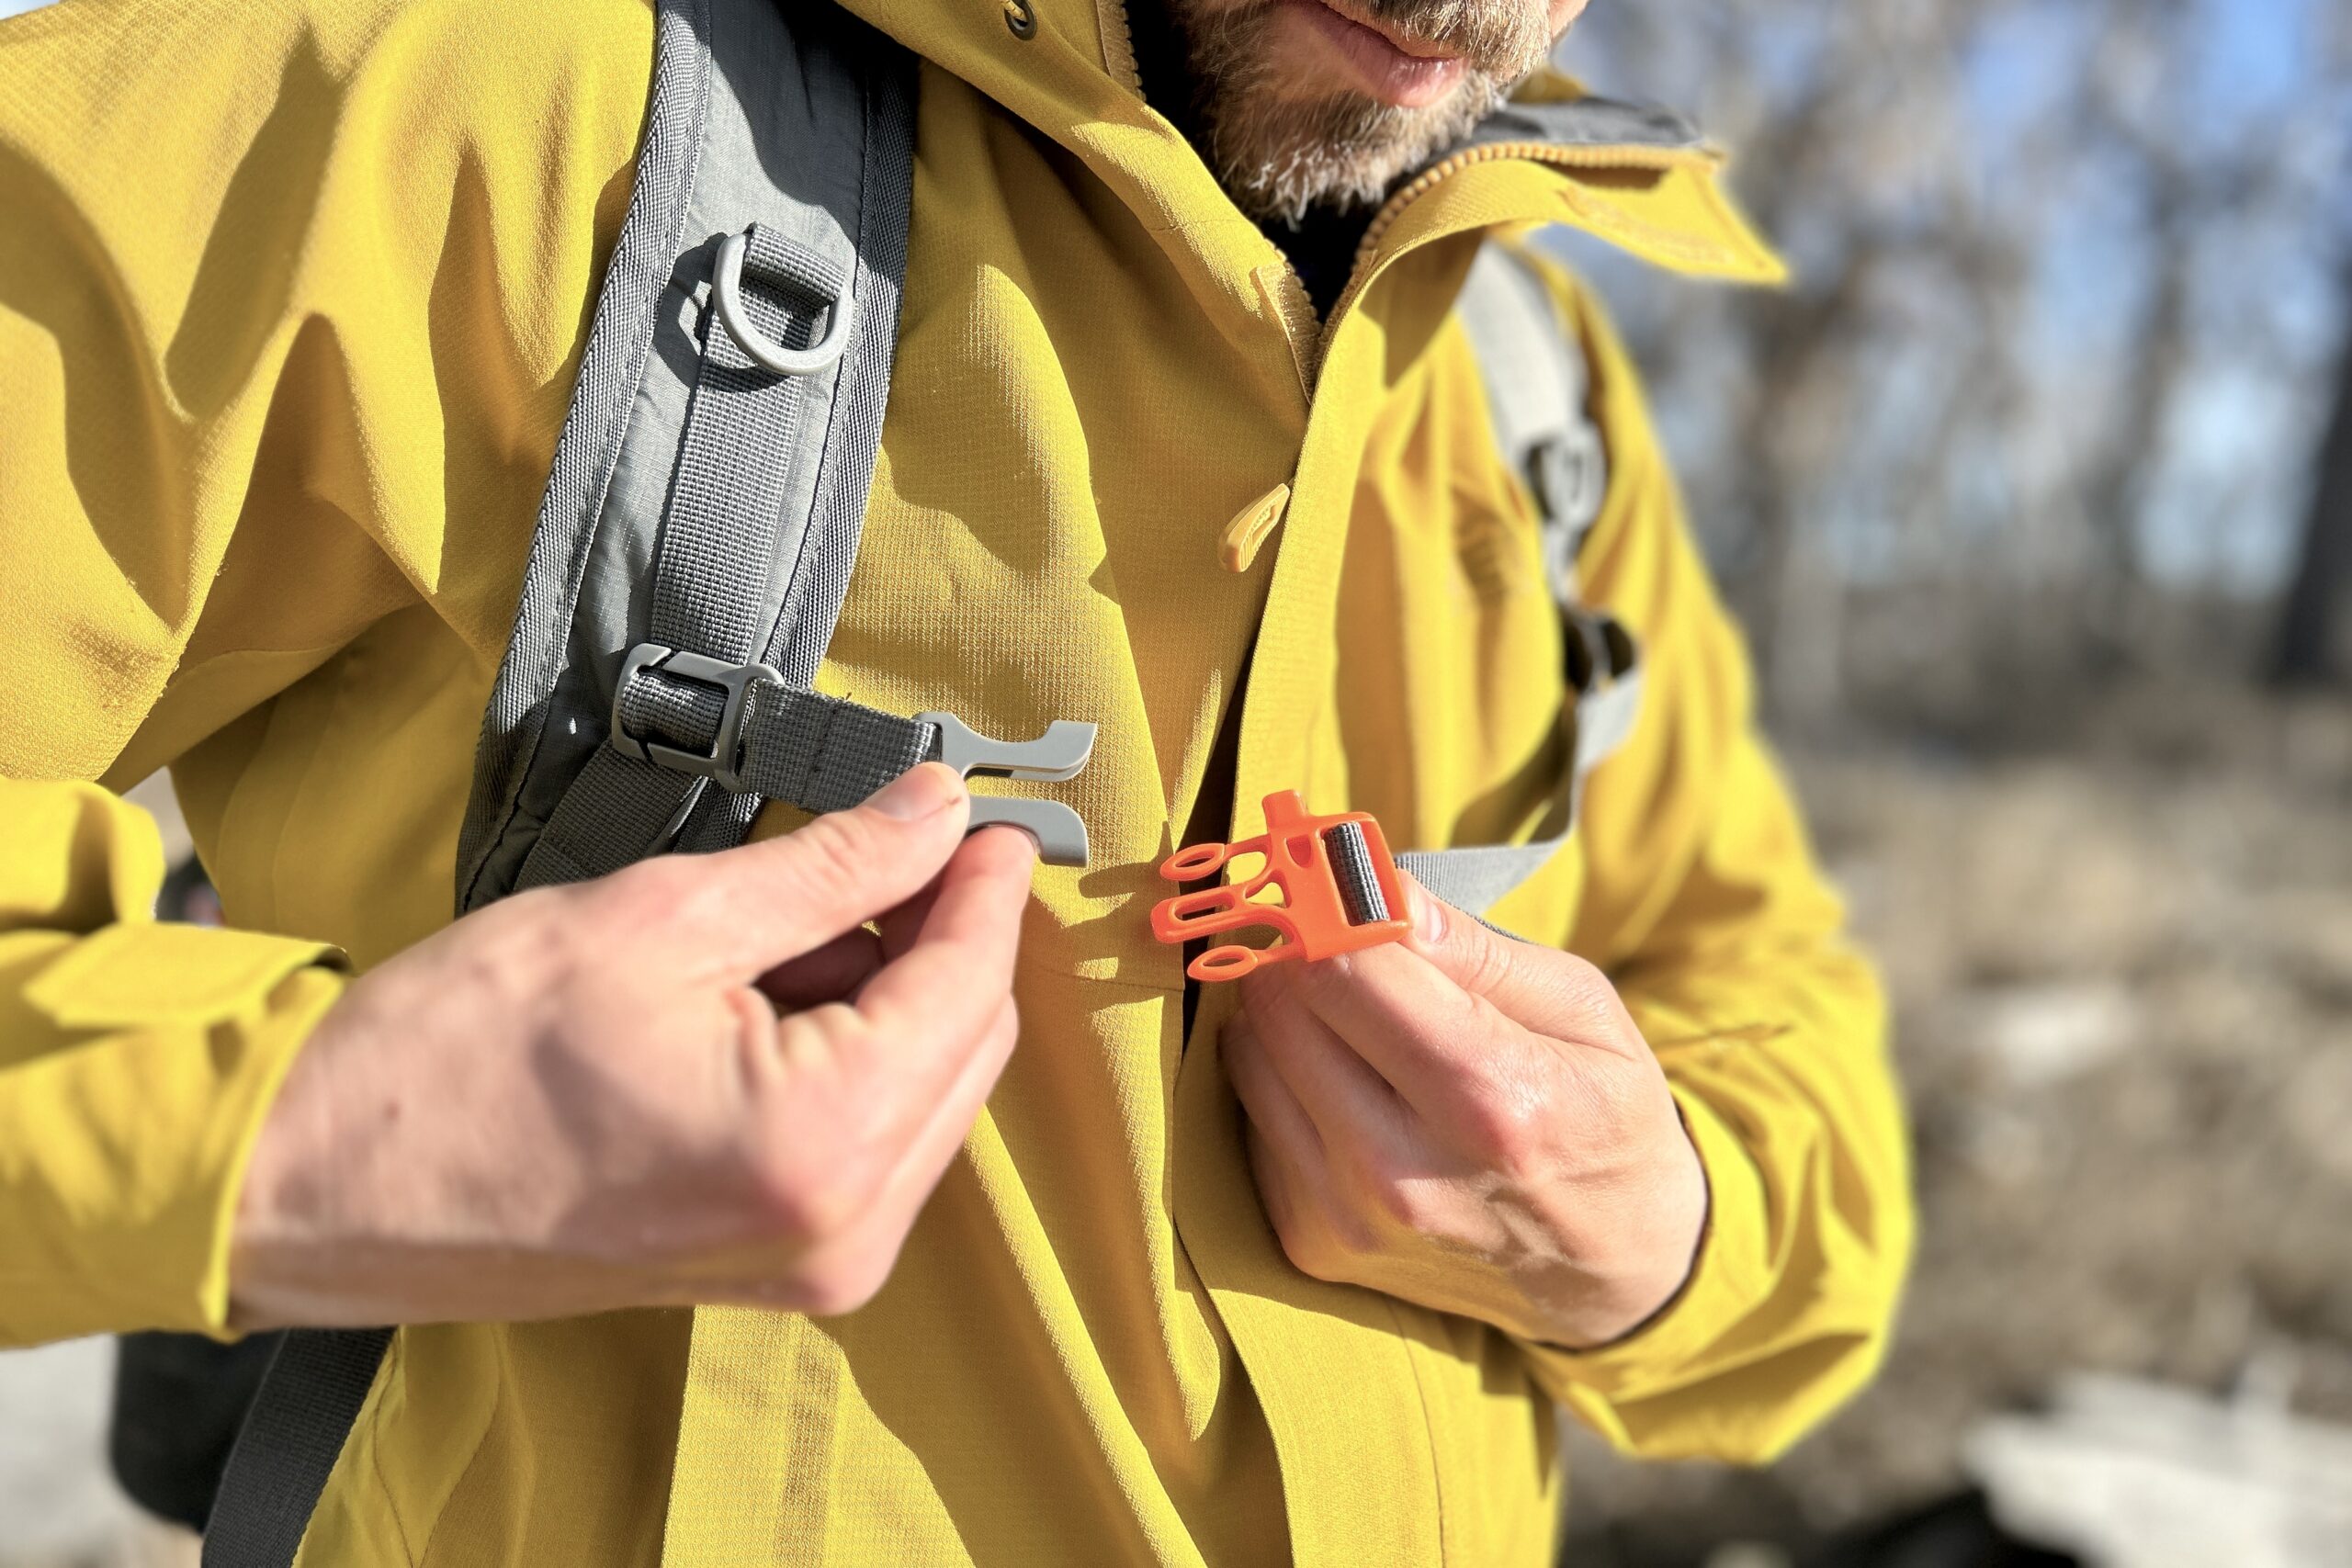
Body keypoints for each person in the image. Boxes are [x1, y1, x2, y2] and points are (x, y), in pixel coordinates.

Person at [0, 0, 1914, 1562]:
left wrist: (1669, 1227)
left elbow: (1771, 1016)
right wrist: (313, 1129)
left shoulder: (1526, 368)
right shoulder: (483, 83)